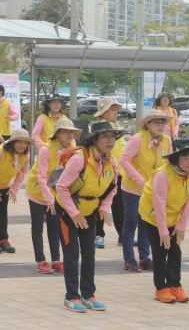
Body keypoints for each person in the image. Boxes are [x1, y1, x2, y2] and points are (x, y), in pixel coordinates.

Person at [55, 120, 123, 312]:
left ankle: (88, 294)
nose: (110, 141)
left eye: (113, 137)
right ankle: (71, 296)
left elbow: (113, 187)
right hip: (67, 211)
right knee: (71, 253)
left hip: (90, 210)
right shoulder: (80, 159)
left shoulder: (111, 162)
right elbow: (61, 187)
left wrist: (104, 207)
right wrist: (74, 213)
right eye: (106, 137)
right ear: (95, 139)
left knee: (89, 253)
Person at [140, 137, 189, 304]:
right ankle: (161, 288)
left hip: (173, 216)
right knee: (160, 251)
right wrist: (163, 231)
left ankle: (175, 285)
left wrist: (181, 226)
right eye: (185, 158)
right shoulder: (162, 174)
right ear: (176, 158)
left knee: (175, 251)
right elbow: (158, 204)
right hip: (153, 216)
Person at [117, 111, 172, 272]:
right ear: (148, 124)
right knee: (131, 221)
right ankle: (128, 258)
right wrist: (139, 179)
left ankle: (144, 257)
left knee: (147, 222)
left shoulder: (167, 141)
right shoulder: (138, 139)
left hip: (153, 189)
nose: (160, 126)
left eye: (163, 123)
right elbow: (124, 160)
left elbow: (168, 163)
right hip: (133, 188)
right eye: (156, 122)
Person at [26, 119, 79, 274]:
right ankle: (41, 260)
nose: (69, 134)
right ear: (57, 134)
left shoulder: (74, 149)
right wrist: (49, 199)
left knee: (54, 226)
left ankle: (56, 259)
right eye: (65, 131)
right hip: (38, 191)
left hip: (57, 193)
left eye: (71, 132)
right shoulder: (46, 149)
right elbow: (42, 177)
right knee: (37, 226)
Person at [0, 128, 30, 255]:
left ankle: (4, 240)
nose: (22, 145)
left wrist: (14, 188)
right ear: (12, 142)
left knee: (2, 212)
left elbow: (23, 171)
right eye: (19, 142)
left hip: (4, 185)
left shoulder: (25, 155)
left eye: (25, 143)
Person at [91, 96, 125, 249]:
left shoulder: (118, 127)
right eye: (111, 110)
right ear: (102, 112)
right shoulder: (98, 128)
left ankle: (123, 235)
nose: (115, 113)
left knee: (119, 206)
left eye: (116, 110)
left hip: (119, 173)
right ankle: (98, 234)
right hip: (103, 172)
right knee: (100, 203)